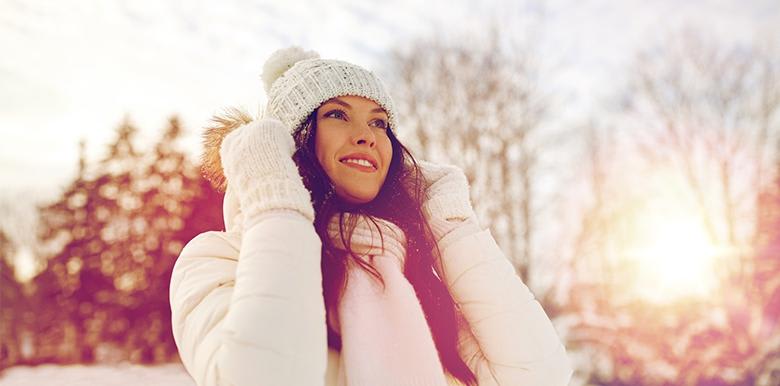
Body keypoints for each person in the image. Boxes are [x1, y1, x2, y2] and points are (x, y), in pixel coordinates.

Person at [169, 46, 572, 386]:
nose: (367, 135)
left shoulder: (416, 279)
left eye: (379, 122)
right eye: (337, 115)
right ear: (291, 140)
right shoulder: (219, 259)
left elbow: (538, 376)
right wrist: (276, 198)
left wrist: (451, 225)